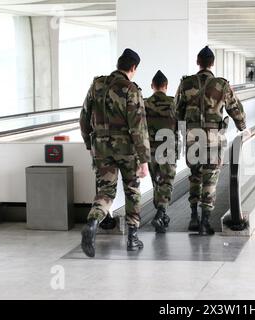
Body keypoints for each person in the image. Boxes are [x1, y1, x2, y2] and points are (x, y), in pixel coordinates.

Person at [79, 48, 150, 257]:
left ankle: (92, 223)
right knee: (132, 190)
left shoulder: (97, 84)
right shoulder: (130, 89)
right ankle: (132, 238)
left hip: (101, 148)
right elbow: (138, 128)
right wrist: (144, 160)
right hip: (127, 150)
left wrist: (88, 143)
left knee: (105, 192)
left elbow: (83, 118)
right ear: (133, 68)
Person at [175, 46, 247, 235]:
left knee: (195, 175)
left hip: (192, 137)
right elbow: (236, 110)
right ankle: (205, 221)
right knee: (211, 177)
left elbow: (177, 111)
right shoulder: (221, 85)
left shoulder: (186, 83)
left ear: (198, 62)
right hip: (214, 137)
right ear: (212, 63)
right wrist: (242, 128)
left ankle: (193, 217)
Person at [144, 70, 178, 233]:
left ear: (152, 86)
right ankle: (160, 213)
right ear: (166, 86)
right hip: (168, 148)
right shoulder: (174, 103)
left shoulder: (144, 104)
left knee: (156, 182)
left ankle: (161, 215)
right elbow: (182, 125)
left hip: (150, 150)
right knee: (167, 182)